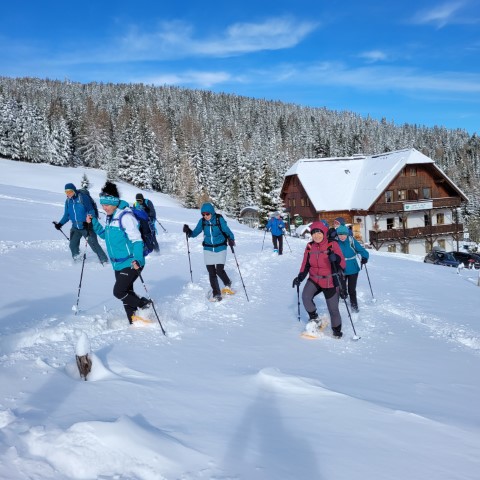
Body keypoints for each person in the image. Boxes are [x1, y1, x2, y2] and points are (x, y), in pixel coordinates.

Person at [87, 181, 151, 324]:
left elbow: (137, 240)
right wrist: (94, 223)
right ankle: (134, 320)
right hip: (117, 264)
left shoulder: (125, 217)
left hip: (131, 262)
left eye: (107, 205)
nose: (104, 208)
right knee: (127, 292)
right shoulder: (111, 217)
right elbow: (105, 235)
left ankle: (144, 304)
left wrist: (138, 260)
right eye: (102, 205)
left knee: (119, 292)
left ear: (115, 202)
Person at [292, 221, 346, 338]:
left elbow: (342, 263)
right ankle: (315, 319)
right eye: (314, 233)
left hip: (330, 280)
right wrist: (300, 277)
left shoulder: (332, 245)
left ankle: (337, 331)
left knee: (333, 309)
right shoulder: (310, 246)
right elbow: (305, 264)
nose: (316, 235)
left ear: (324, 233)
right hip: (314, 279)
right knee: (306, 297)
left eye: (319, 233)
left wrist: (335, 258)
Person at [183, 203, 235, 302]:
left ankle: (227, 283)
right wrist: (188, 231)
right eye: (203, 214)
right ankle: (216, 294)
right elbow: (194, 233)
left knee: (219, 270)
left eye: (207, 214)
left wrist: (231, 239)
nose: (205, 216)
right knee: (211, 272)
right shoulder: (202, 222)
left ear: (212, 212)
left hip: (220, 247)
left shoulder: (219, 220)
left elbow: (227, 231)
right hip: (208, 248)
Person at [54, 183, 108, 264]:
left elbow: (91, 211)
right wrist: (60, 224)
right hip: (75, 227)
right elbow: (66, 215)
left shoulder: (83, 197)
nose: (68, 193)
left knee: (94, 245)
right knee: (73, 245)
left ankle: (104, 260)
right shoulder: (68, 201)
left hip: (86, 226)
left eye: (70, 191)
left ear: (74, 190)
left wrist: (88, 221)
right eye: (66, 192)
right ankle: (77, 259)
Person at [335, 224, 369, 313]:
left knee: (352, 290)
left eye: (344, 234)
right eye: (340, 234)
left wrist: (364, 257)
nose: (342, 237)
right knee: (342, 290)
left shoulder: (351, 241)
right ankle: (343, 299)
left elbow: (362, 250)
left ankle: (354, 307)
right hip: (340, 268)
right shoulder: (335, 242)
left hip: (353, 268)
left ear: (347, 234)